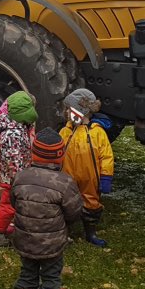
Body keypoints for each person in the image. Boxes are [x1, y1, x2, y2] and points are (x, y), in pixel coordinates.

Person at [10, 127, 84, 289]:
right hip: (51, 244)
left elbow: (13, 201)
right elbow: (74, 211)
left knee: (28, 270)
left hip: (24, 238)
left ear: (33, 153)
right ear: (60, 156)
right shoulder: (65, 182)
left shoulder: (21, 176)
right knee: (51, 274)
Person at [59, 88, 114, 248]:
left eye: (70, 109)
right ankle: (64, 231)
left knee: (91, 203)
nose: (67, 112)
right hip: (67, 179)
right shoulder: (66, 131)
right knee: (65, 204)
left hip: (90, 179)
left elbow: (106, 157)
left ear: (80, 110)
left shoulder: (97, 133)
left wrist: (106, 178)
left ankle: (90, 232)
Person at [0, 91, 37, 243]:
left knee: (12, 204)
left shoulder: (18, 127)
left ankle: (12, 228)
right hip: (13, 178)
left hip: (16, 176)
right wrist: (18, 178)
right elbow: (13, 158)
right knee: (8, 205)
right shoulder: (13, 133)